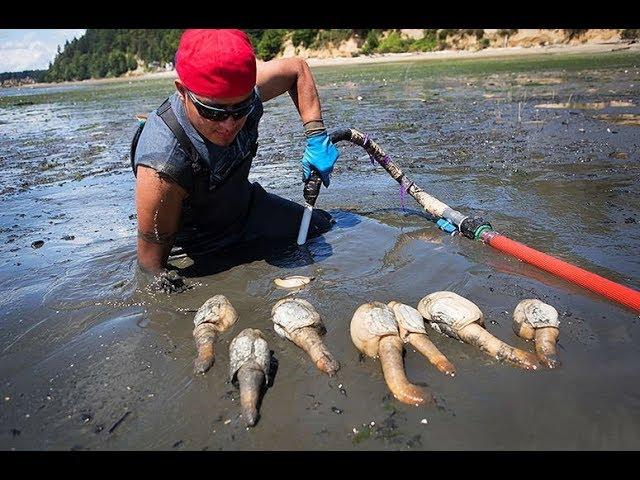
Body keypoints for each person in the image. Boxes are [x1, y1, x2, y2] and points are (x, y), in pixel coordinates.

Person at [131, 29, 340, 291]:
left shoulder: (246, 90)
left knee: (326, 225)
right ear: (183, 92)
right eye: (213, 111)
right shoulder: (162, 164)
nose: (229, 125)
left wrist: (316, 137)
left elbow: (296, 70)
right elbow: (151, 268)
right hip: (199, 244)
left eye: (241, 108)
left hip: (246, 208)